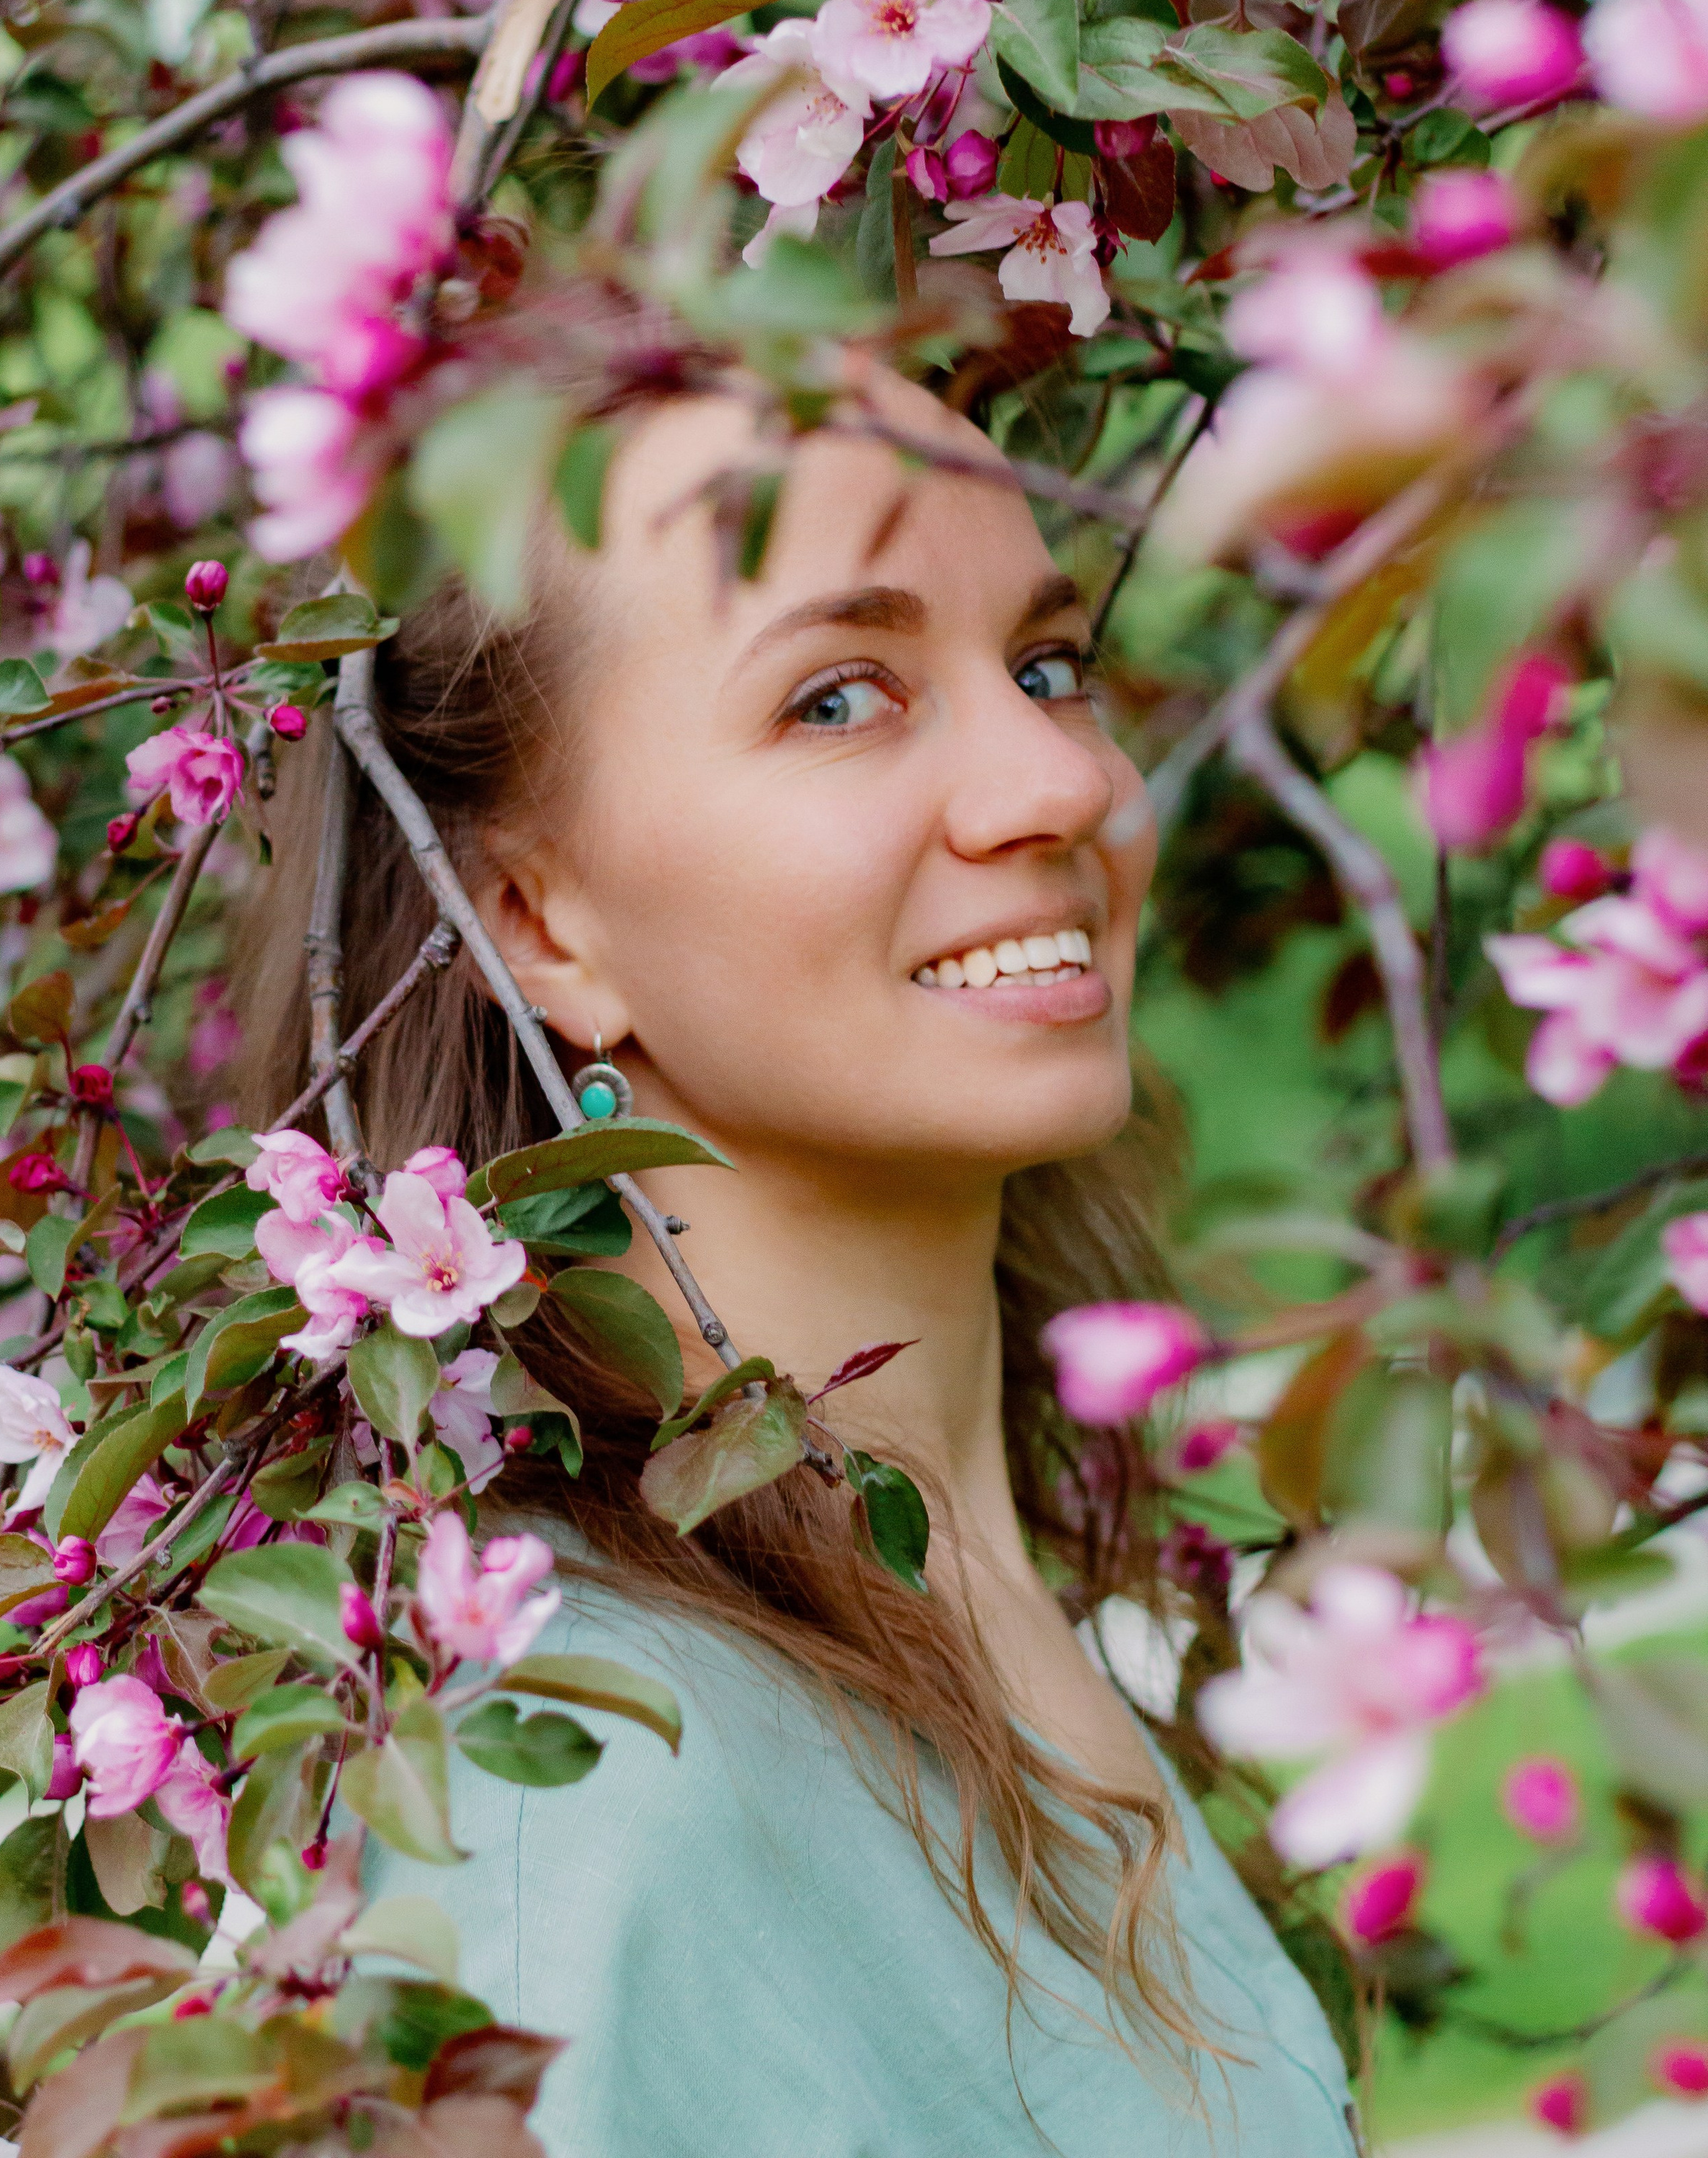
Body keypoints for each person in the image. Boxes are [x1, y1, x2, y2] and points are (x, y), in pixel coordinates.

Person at [236, 363, 1360, 2158]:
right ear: (537, 919)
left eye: (1049, 665)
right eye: (839, 696)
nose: (1055, 779)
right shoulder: (599, 1804)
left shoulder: (946, 1590)